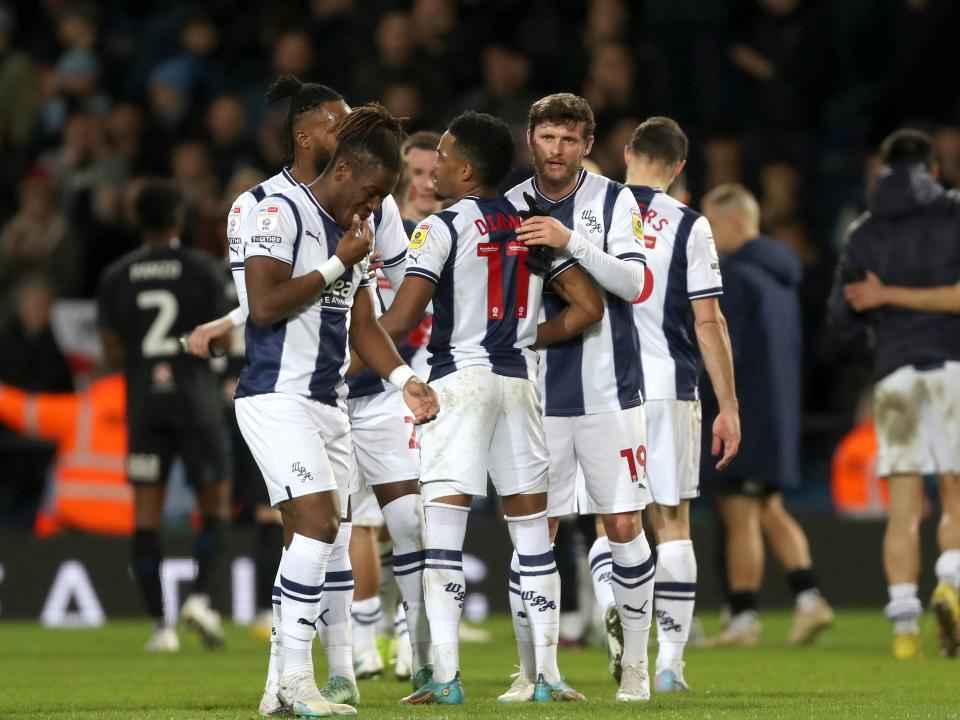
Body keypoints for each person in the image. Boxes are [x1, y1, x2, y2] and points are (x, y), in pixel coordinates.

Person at [375, 111, 602, 704]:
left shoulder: (441, 227)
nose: (434, 171)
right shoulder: (533, 225)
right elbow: (587, 308)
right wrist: (530, 338)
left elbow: (400, 321)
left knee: (443, 535)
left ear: (468, 169)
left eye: (444, 157)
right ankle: (548, 676)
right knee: (532, 535)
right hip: (519, 385)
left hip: (460, 384)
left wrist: (352, 345)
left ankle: (447, 678)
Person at [235, 103, 439, 718]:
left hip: (331, 404)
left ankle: (278, 687)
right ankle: (300, 681)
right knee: (320, 526)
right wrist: (338, 262)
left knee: (317, 538)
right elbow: (264, 305)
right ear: (345, 169)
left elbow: (364, 323)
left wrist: (404, 379)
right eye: (373, 192)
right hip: (276, 396)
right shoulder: (278, 212)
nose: (374, 207)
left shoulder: (361, 228)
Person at [504, 93, 652, 703]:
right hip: (532, 392)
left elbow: (636, 283)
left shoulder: (617, 201)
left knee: (620, 522)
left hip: (609, 390)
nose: (556, 150)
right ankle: (534, 671)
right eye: (546, 137)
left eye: (568, 139)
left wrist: (571, 242)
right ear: (530, 139)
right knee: (534, 529)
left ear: (586, 145)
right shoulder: (508, 204)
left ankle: (637, 669)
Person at [585, 116, 739, 693]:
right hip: (671, 385)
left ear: (626, 153)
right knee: (672, 522)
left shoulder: (593, 213)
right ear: (679, 168)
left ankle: (618, 621)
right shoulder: (689, 225)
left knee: (613, 519)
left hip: (605, 387)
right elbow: (708, 320)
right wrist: (729, 404)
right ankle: (671, 661)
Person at [829, 128, 960, 659]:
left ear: (884, 168)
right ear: (930, 168)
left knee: (903, 508)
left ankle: (905, 628)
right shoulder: (954, 214)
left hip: (895, 375)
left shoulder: (864, 230)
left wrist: (881, 324)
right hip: (953, 367)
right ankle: (950, 582)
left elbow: (842, 315)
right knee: (954, 494)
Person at [96, 181, 234, 653]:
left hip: (145, 408)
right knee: (214, 506)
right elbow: (223, 341)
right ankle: (199, 599)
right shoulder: (202, 269)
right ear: (178, 220)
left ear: (140, 222)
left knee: (146, 517)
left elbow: (113, 352)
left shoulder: (116, 275)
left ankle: (161, 628)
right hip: (196, 404)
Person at [700, 183, 833, 647]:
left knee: (740, 512)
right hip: (778, 410)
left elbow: (719, 347)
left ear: (735, 223)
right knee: (767, 508)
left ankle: (745, 618)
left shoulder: (735, 276)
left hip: (746, 410)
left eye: (711, 225)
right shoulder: (783, 275)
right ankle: (806, 597)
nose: (707, 236)